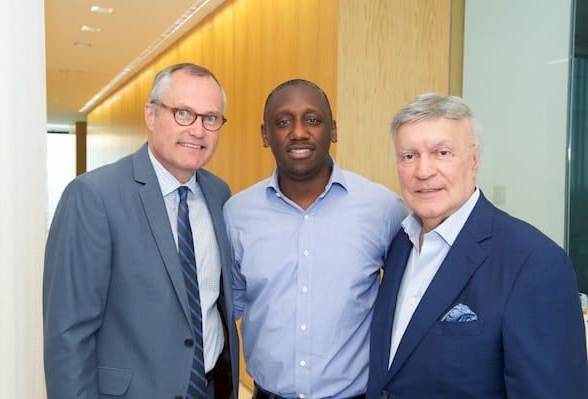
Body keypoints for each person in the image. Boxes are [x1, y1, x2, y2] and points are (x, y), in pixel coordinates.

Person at [367, 93, 588, 399]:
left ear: (474, 160)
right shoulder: (399, 244)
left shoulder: (534, 262)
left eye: (442, 152)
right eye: (409, 156)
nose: (423, 171)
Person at [43, 63, 239, 399]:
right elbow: (68, 335)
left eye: (210, 118)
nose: (198, 130)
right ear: (150, 115)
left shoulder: (220, 194)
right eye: (183, 113)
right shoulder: (93, 196)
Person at [223, 79, 408, 399]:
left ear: (333, 130)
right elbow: (225, 312)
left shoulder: (383, 208)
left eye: (312, 120)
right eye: (283, 122)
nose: (298, 132)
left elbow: (409, 303)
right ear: (265, 135)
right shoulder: (237, 213)